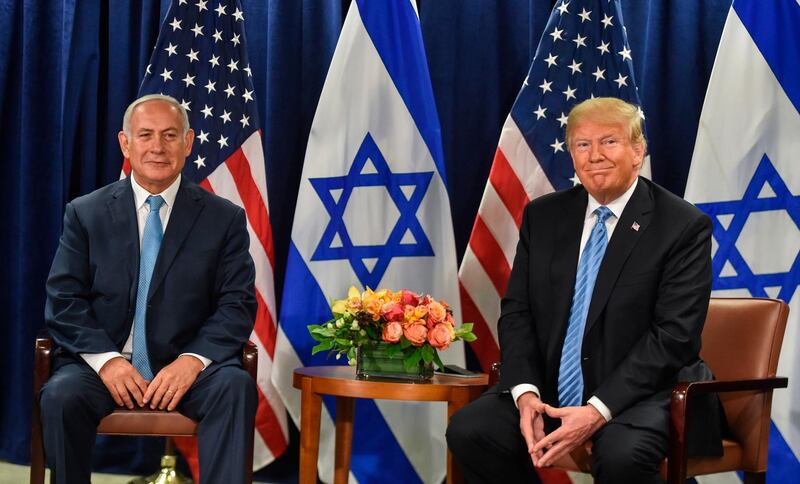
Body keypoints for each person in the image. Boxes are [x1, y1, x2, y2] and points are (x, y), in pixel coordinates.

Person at [446, 97, 723, 483]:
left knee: (622, 455)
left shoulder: (682, 226)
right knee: (472, 430)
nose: (595, 156)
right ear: (572, 155)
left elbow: (674, 336)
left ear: (637, 150)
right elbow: (517, 311)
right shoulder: (543, 217)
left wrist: (597, 410)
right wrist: (525, 393)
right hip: (549, 389)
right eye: (582, 144)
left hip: (644, 394)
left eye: (609, 142)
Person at [41, 94, 258, 484]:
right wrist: (107, 361)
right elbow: (63, 300)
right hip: (104, 366)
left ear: (188, 142)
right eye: (145, 135)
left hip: (186, 369)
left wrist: (191, 361)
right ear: (126, 143)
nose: (157, 147)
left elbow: (236, 305)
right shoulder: (85, 213)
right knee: (61, 395)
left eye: (170, 135)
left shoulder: (224, 219)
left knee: (234, 387)